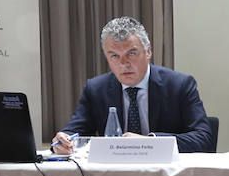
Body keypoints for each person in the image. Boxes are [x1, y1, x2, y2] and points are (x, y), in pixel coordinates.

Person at [51, 16, 214, 154]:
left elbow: (203, 138)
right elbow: (75, 132)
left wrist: (149, 142)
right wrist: (62, 140)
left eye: (131, 53)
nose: (123, 63)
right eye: (114, 56)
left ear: (148, 51)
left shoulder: (179, 85)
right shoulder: (95, 89)